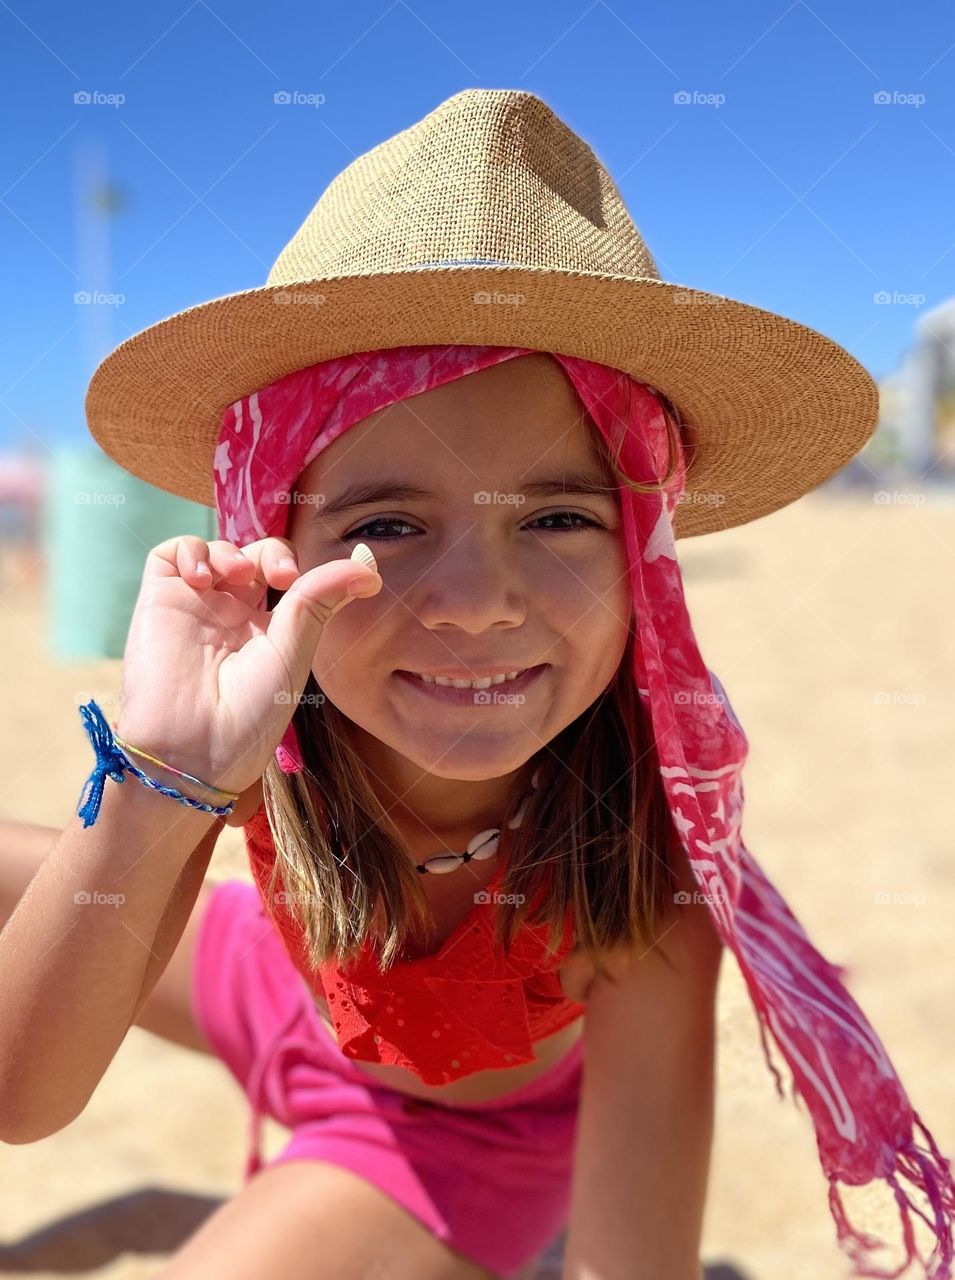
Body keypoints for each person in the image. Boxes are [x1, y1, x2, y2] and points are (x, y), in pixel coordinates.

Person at [1, 88, 951, 1280]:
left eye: (558, 513)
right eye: (388, 521)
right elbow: (22, 1093)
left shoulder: (646, 883)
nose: (477, 600)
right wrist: (174, 767)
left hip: (453, 1140)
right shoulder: (259, 745)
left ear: (645, 563)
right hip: (274, 984)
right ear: (271, 545)